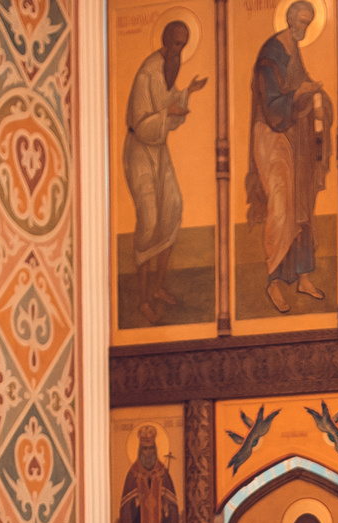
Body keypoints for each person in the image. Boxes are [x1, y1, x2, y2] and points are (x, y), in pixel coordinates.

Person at [249, 2, 333, 314]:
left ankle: (303, 277)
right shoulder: (272, 53)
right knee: (281, 208)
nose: (305, 28)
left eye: (309, 23)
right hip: (272, 137)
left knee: (303, 206)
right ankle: (273, 280)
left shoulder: (294, 50)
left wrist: (316, 95)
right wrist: (301, 94)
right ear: (289, 19)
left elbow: (299, 89)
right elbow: (272, 106)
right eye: (301, 21)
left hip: (295, 138)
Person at [125, 20, 207, 323]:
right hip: (139, 151)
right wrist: (168, 113)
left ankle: (159, 287)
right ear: (165, 41)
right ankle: (143, 299)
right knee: (148, 219)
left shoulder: (168, 68)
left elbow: (168, 103)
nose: (180, 51)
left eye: (184, 46)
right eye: (176, 44)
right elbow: (142, 121)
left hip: (158, 150)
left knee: (172, 208)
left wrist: (187, 93)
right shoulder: (148, 71)